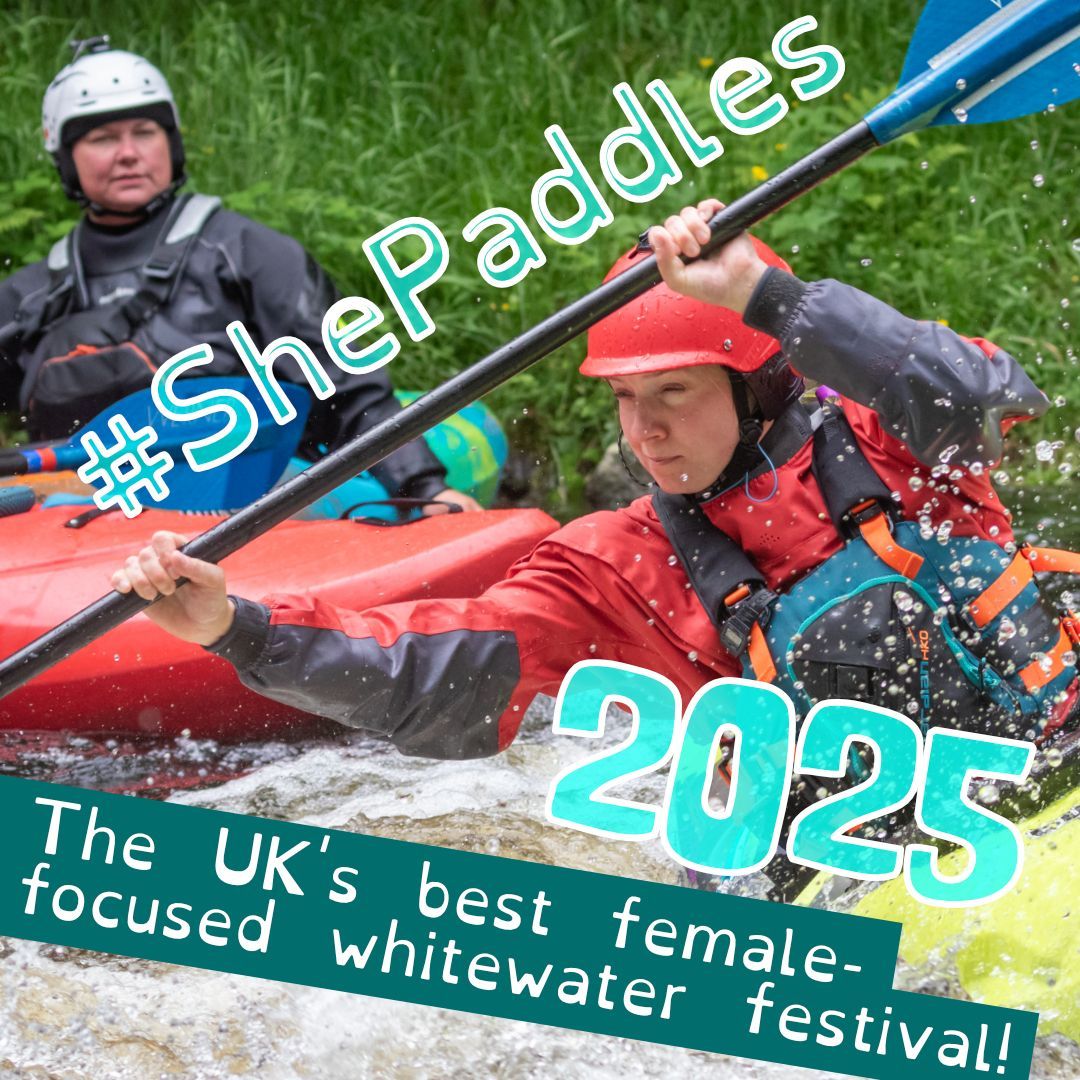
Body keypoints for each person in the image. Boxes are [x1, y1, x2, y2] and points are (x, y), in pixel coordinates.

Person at [112, 198, 1080, 762]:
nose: (644, 428)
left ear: (762, 382)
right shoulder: (618, 565)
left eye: (674, 391)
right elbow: (435, 669)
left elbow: (985, 395)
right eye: (623, 397)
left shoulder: (893, 440)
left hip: (1055, 764)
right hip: (890, 873)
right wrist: (235, 629)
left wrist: (767, 296)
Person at [0, 37, 479, 512]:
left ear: (171, 142)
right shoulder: (28, 297)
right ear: (64, 156)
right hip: (77, 514)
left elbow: (343, 381)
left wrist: (424, 486)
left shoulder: (248, 254)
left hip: (251, 499)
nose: (128, 153)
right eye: (103, 138)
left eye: (145, 132)